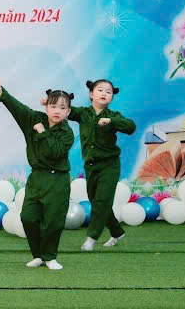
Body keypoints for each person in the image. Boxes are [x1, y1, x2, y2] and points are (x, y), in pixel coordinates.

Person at [0, 78, 74, 270]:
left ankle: (50, 257)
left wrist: (43, 133)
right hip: (37, 178)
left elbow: (55, 152)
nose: (57, 111)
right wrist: (0, 90)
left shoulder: (67, 133)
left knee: (52, 222)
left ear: (68, 112)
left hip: (57, 179)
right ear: (46, 107)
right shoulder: (35, 119)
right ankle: (38, 255)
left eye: (62, 108)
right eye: (53, 106)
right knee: (28, 217)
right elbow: (18, 108)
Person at [44, 80, 135, 251]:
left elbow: (131, 127)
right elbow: (66, 110)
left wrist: (111, 121)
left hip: (110, 165)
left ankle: (91, 238)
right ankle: (117, 232)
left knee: (101, 201)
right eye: (100, 90)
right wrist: (52, 103)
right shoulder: (83, 113)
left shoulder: (114, 115)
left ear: (112, 97)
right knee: (97, 201)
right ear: (91, 94)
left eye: (108, 92)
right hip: (91, 166)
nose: (104, 93)